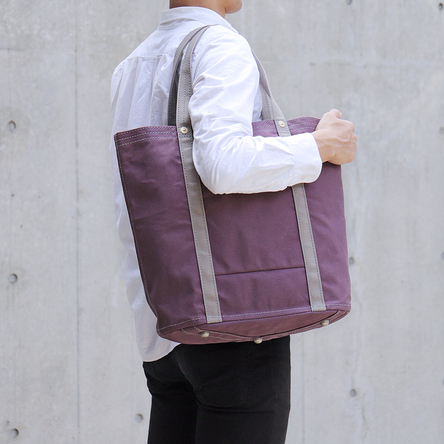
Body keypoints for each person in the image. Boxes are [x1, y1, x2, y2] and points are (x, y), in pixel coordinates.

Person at [109, 1, 357, 443]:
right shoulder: (220, 45)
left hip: (163, 324)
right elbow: (223, 164)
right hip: (234, 323)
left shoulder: (133, 65)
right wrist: (318, 147)